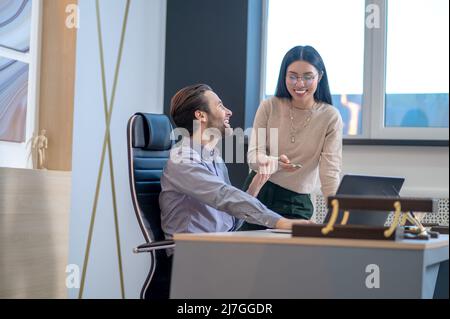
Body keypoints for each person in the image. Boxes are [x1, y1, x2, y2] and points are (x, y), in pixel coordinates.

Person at [159, 84, 312, 240]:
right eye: (220, 106)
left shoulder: (214, 158)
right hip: (190, 254)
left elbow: (230, 221)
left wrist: (256, 184)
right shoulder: (183, 160)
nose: (229, 112)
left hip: (216, 247)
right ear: (201, 116)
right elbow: (224, 196)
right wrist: (280, 222)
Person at [241, 45, 343, 230]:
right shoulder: (269, 106)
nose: (299, 84)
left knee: (289, 257)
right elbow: (254, 157)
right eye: (293, 76)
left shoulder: (330, 117)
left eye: (307, 77)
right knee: (247, 255)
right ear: (284, 76)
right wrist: (272, 162)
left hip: (296, 202)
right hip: (258, 192)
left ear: (319, 76)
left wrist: (338, 215)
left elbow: (329, 173)